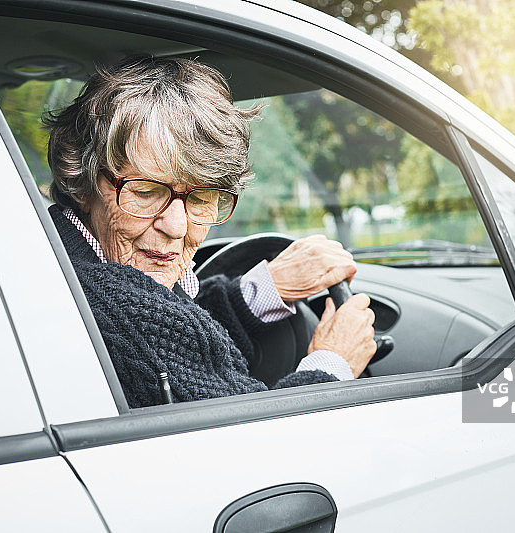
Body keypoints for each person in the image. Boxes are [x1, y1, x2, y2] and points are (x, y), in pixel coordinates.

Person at [44, 55, 377, 408]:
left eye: (202, 198)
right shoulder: (119, 308)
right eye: (145, 192)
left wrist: (261, 291)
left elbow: (182, 347)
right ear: (83, 183)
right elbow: (260, 443)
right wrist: (333, 363)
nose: (176, 227)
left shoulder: (56, 253)